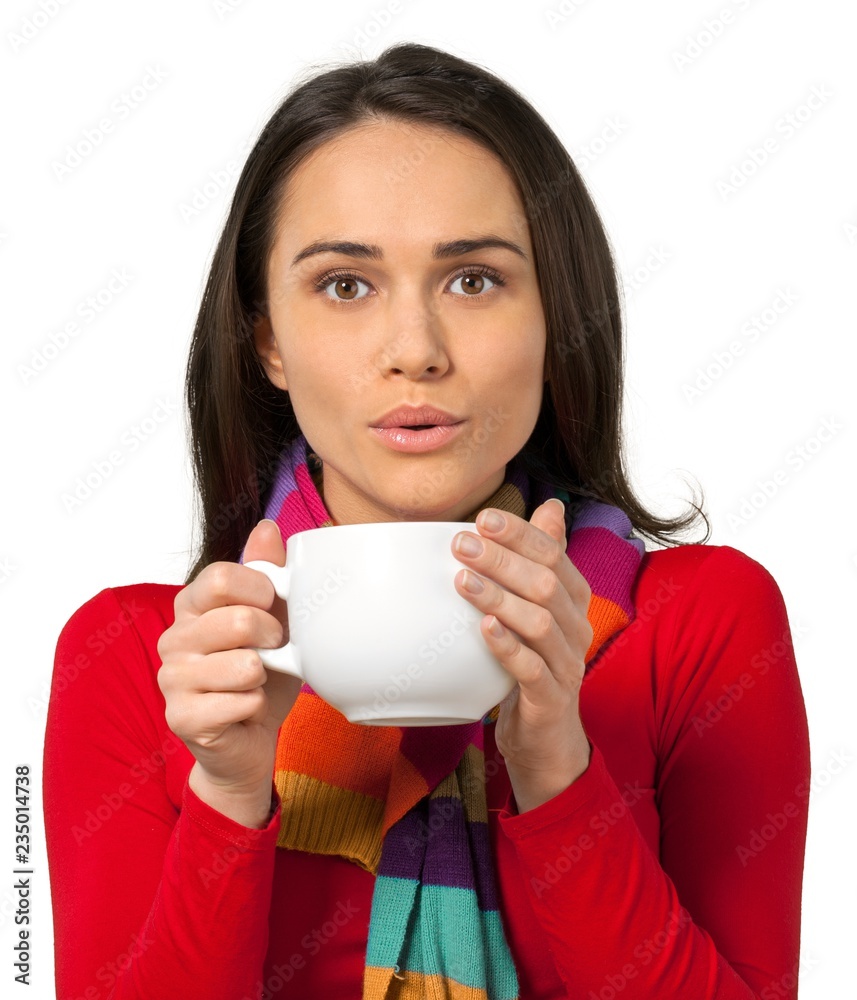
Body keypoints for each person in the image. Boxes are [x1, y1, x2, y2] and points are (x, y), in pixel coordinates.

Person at [43, 41, 810, 1000]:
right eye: (345, 285)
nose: (414, 350)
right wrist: (229, 796)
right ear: (267, 340)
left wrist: (556, 767)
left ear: (554, 317)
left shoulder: (703, 624)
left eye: (474, 279)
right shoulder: (137, 661)